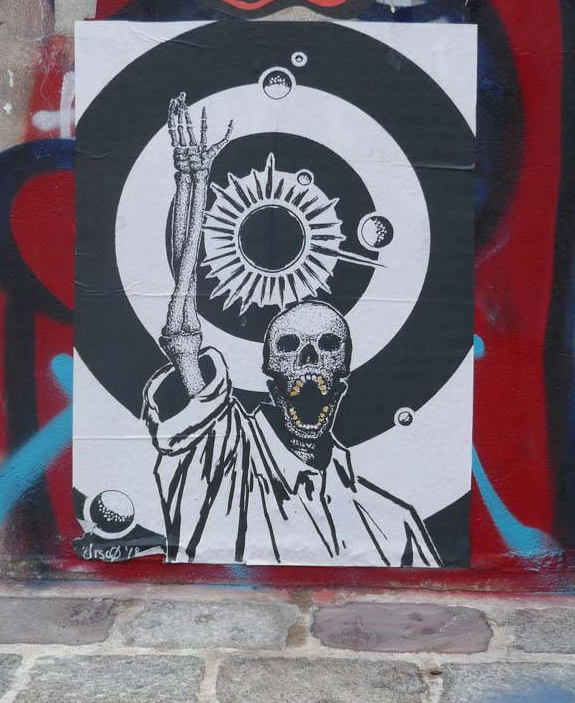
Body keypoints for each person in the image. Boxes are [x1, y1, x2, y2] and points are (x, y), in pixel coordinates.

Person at [132, 94, 441, 568]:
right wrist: (192, 181)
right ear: (269, 375)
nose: (310, 358)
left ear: (344, 377)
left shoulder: (392, 526)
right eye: (290, 346)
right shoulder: (221, 458)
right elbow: (182, 335)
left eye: (328, 345)